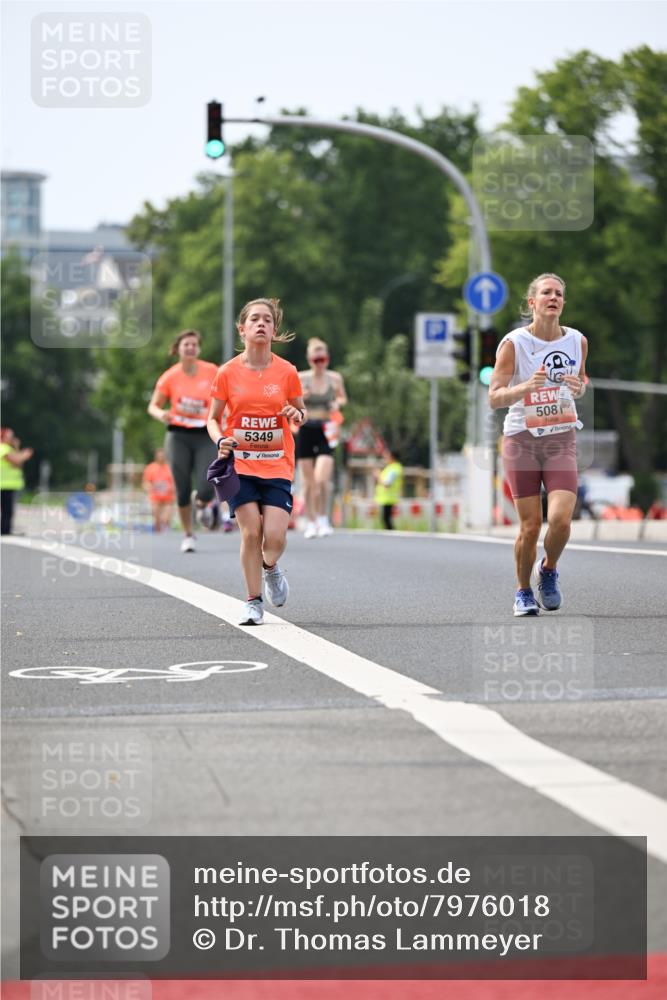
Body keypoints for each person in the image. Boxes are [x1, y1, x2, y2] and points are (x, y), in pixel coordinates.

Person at [489, 273, 588, 616]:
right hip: (522, 440)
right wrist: (525, 388)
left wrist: (579, 387)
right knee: (530, 526)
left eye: (559, 293)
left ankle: (548, 570)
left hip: (561, 436)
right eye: (546, 292)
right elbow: (495, 397)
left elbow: (582, 380)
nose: (553, 298)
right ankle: (522, 590)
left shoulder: (577, 341)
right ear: (532, 302)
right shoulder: (514, 344)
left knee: (561, 520)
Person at [207, 298, 306, 625]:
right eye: (254, 319)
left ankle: (271, 569)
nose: (261, 324)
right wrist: (221, 439)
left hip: (277, 464)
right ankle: (252, 601)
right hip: (240, 464)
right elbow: (212, 418)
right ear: (242, 328)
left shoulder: (287, 371)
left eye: (267, 320)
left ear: (274, 330)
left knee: (274, 537)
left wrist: (296, 414)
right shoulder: (227, 373)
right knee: (251, 533)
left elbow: (300, 413)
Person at [147, 330, 218, 552]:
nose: (190, 348)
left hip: (204, 434)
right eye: (185, 344)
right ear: (178, 349)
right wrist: (162, 415)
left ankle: (202, 502)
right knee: (182, 487)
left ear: (198, 349)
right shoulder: (170, 376)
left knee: (208, 483)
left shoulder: (212, 371)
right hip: (178, 435)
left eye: (194, 344)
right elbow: (153, 406)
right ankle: (188, 534)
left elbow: (225, 396)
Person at [296, 337, 347, 538]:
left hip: (327, 428)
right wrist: (302, 397)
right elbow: (289, 398)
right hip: (306, 428)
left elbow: (343, 397)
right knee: (308, 482)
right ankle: (311, 521)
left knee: (322, 479)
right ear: (309, 360)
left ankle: (324, 518)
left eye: (322, 359)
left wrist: (337, 404)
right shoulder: (301, 378)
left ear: (327, 359)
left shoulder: (334, 379)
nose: (319, 363)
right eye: (315, 359)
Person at [0, 428, 33, 536]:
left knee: (7, 510)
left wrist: (17, 449)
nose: (12, 438)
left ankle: (5, 529)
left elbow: (18, 465)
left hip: (7, 485)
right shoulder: (3, 448)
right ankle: (4, 530)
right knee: (6, 510)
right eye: (10, 436)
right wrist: (24, 455)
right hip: (4, 484)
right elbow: (16, 461)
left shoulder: (9, 449)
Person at [142, 447, 176, 532]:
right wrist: (149, 487)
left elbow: (175, 482)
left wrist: (172, 488)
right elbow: (145, 482)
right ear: (156, 456)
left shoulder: (170, 468)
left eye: (163, 455)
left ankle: (167, 530)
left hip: (168, 498)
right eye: (159, 455)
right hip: (155, 498)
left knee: (166, 519)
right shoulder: (150, 468)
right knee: (157, 519)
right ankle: (158, 533)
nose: (161, 457)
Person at [374, 447, 403, 530]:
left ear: (392, 457)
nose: (385, 457)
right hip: (386, 498)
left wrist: (378, 476)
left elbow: (387, 483)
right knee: (386, 519)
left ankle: (392, 535)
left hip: (388, 498)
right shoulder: (390, 468)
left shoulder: (394, 469)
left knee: (387, 519)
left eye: (387, 455)